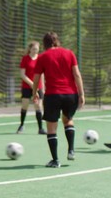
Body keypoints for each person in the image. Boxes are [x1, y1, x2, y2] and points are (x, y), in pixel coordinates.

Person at [32, 32, 85, 168]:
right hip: (70, 95)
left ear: (44, 44)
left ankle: (55, 160)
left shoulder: (43, 57)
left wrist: (35, 93)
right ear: (57, 41)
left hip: (52, 95)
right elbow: (77, 74)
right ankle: (71, 150)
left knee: (51, 127)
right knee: (68, 120)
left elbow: (37, 78)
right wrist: (81, 94)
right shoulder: (69, 53)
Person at [17, 41, 46, 135]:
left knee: (38, 106)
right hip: (27, 87)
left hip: (39, 87)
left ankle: (40, 128)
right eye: (33, 49)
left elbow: (42, 74)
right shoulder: (25, 59)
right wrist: (32, 84)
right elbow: (22, 74)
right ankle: (21, 125)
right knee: (25, 105)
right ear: (30, 49)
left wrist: (43, 88)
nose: (35, 51)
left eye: (37, 49)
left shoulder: (40, 59)